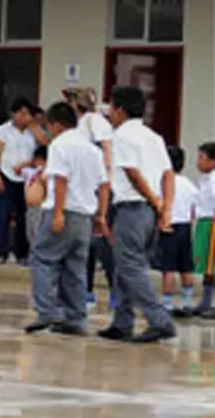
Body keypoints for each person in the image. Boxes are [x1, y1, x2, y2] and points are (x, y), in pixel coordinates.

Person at [97, 86, 177, 344]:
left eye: (111, 107)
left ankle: (159, 320)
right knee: (123, 266)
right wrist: (165, 208)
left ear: (120, 110)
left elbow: (132, 172)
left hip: (133, 207)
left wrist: (154, 200)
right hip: (150, 211)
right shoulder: (154, 137)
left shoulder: (121, 136)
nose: (109, 112)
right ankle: (122, 321)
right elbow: (168, 174)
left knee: (130, 266)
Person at [25, 102, 108, 336]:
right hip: (84, 215)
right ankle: (76, 317)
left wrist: (59, 213)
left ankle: (47, 310)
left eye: (49, 127)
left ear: (57, 126)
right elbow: (104, 185)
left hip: (62, 209)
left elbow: (60, 180)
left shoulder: (60, 145)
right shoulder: (93, 149)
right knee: (75, 268)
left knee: (42, 258)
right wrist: (101, 215)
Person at [63, 86, 117, 307]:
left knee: (102, 240)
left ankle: (115, 288)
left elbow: (106, 148)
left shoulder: (95, 121)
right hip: (86, 186)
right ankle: (85, 289)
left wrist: (103, 177)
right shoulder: (81, 123)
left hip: (98, 186)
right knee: (85, 241)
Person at [0, 97, 41, 266]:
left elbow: (44, 150)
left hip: (26, 177)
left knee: (23, 217)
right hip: (6, 174)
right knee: (3, 215)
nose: (26, 118)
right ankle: (1, 252)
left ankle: (22, 253)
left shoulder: (33, 132)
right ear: (14, 113)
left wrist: (36, 131)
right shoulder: (3, 130)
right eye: (23, 113)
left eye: (28, 114)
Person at [155, 146, 199, 317]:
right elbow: (195, 208)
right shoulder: (189, 183)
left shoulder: (164, 182)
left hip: (169, 226)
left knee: (168, 267)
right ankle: (187, 302)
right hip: (185, 226)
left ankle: (167, 303)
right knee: (186, 266)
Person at [189, 142, 215, 318]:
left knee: (212, 264)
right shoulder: (206, 179)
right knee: (207, 265)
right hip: (204, 222)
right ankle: (205, 301)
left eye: (202, 158)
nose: (198, 162)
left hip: (212, 223)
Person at [19, 146, 49, 244]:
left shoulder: (46, 173)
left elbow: (48, 188)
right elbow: (17, 169)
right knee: (29, 232)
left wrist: (43, 181)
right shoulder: (30, 172)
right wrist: (29, 163)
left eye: (41, 161)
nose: (38, 163)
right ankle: (33, 254)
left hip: (40, 206)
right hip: (29, 207)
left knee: (38, 231)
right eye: (37, 160)